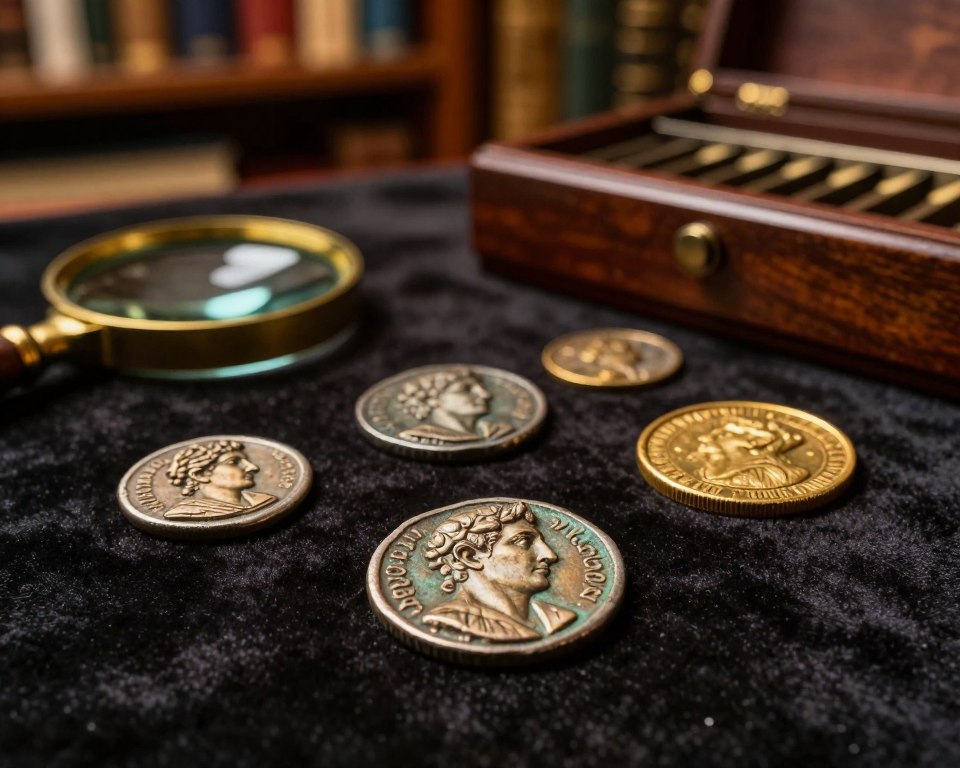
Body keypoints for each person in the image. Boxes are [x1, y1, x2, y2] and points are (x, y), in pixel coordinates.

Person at [421, 501, 576, 642]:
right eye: (524, 541)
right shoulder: (448, 621)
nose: (550, 555)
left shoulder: (558, 616)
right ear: (469, 557)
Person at [396, 367, 513, 445]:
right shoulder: (418, 436)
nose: (485, 395)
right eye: (466, 389)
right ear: (434, 398)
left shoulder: (499, 430)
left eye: (481, 388)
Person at [163, 440, 275, 520]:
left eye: (246, 461)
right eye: (234, 462)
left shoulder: (265, 500)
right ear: (200, 475)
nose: (253, 467)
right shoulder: (184, 513)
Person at [691, 418, 809, 490]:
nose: (711, 439)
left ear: (750, 442)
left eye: (724, 435)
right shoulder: (706, 473)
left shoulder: (777, 473)